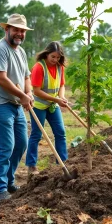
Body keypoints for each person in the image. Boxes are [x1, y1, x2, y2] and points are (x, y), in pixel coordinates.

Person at [0, 13, 34, 202]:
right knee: (5, 147)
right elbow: (1, 78)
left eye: (22, 30)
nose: (19, 33)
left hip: (14, 104)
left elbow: (26, 77)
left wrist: (29, 94)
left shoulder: (20, 52)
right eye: (16, 30)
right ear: (7, 29)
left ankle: (8, 182)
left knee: (21, 144)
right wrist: (22, 96)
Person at [26, 41, 68, 175]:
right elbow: (36, 91)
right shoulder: (39, 67)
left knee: (60, 132)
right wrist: (56, 99)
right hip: (38, 106)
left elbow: (61, 85)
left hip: (52, 105)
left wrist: (61, 97)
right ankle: (31, 165)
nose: (55, 60)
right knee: (36, 135)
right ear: (47, 54)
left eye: (58, 57)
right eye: (53, 57)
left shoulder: (60, 67)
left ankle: (62, 162)